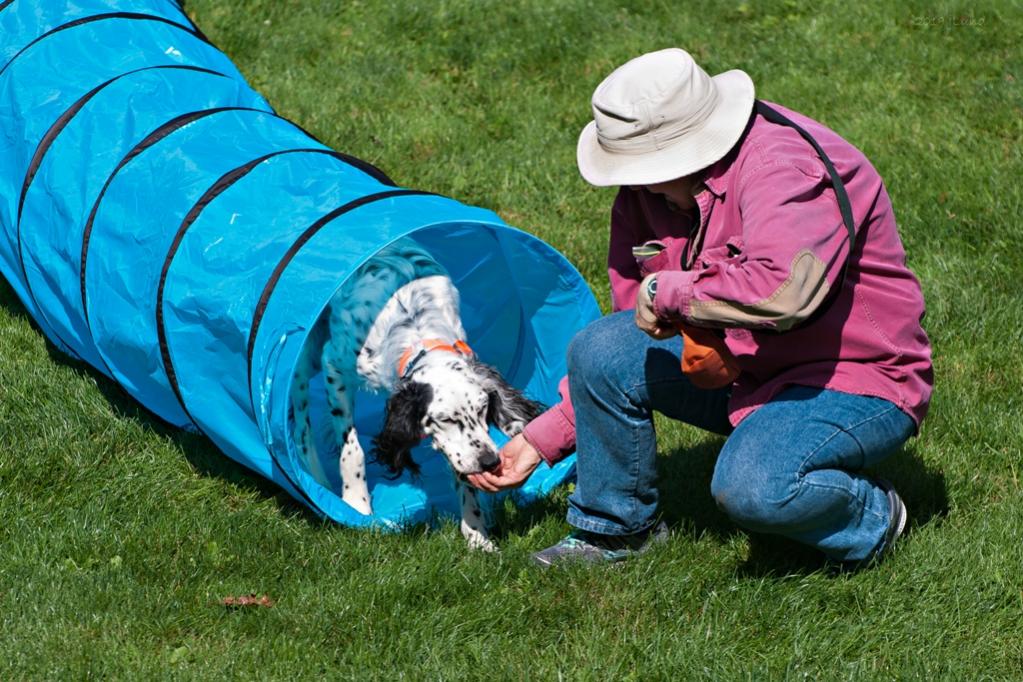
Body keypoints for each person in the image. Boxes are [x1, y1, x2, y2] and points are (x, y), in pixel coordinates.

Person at [468, 48, 933, 569]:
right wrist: (540, 439)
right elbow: (633, 331)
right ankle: (615, 532)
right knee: (599, 347)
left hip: (849, 377)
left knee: (753, 488)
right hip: (741, 368)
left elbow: (784, 292)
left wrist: (666, 291)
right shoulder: (643, 195)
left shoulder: (785, 168)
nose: (632, 183)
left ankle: (874, 517)